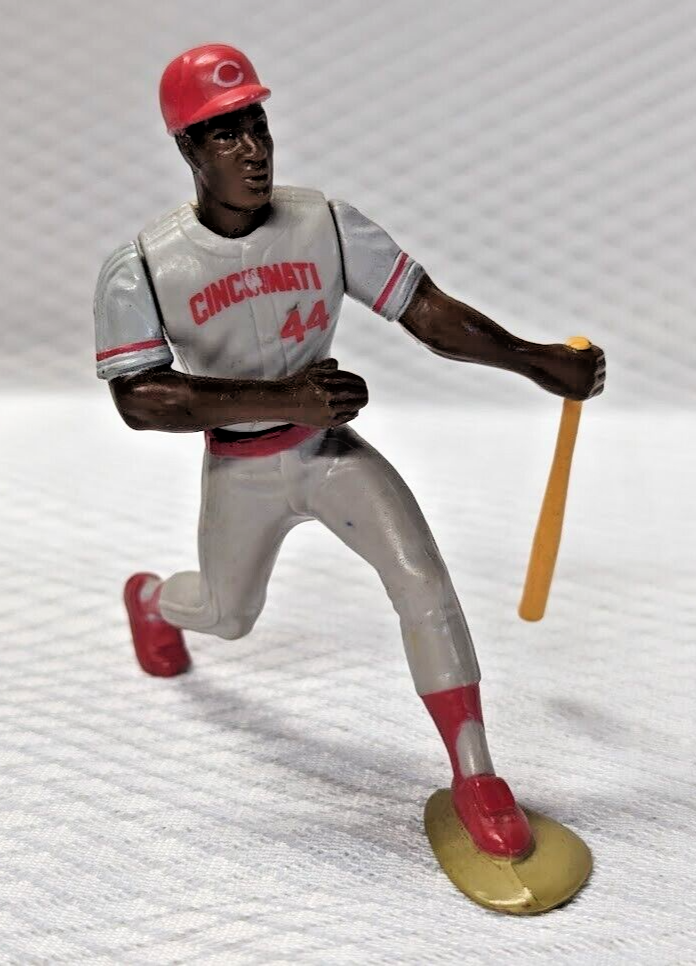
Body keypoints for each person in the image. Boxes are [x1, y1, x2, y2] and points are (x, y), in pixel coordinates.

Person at [94, 44, 605, 863]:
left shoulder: (324, 223)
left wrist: (535, 359)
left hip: (328, 449)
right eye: (225, 134)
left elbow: (427, 312)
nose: (252, 150)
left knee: (423, 581)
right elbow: (141, 399)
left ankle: (476, 774)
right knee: (228, 615)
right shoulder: (146, 265)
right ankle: (153, 599)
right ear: (188, 148)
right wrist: (284, 398)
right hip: (242, 469)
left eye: (257, 125)